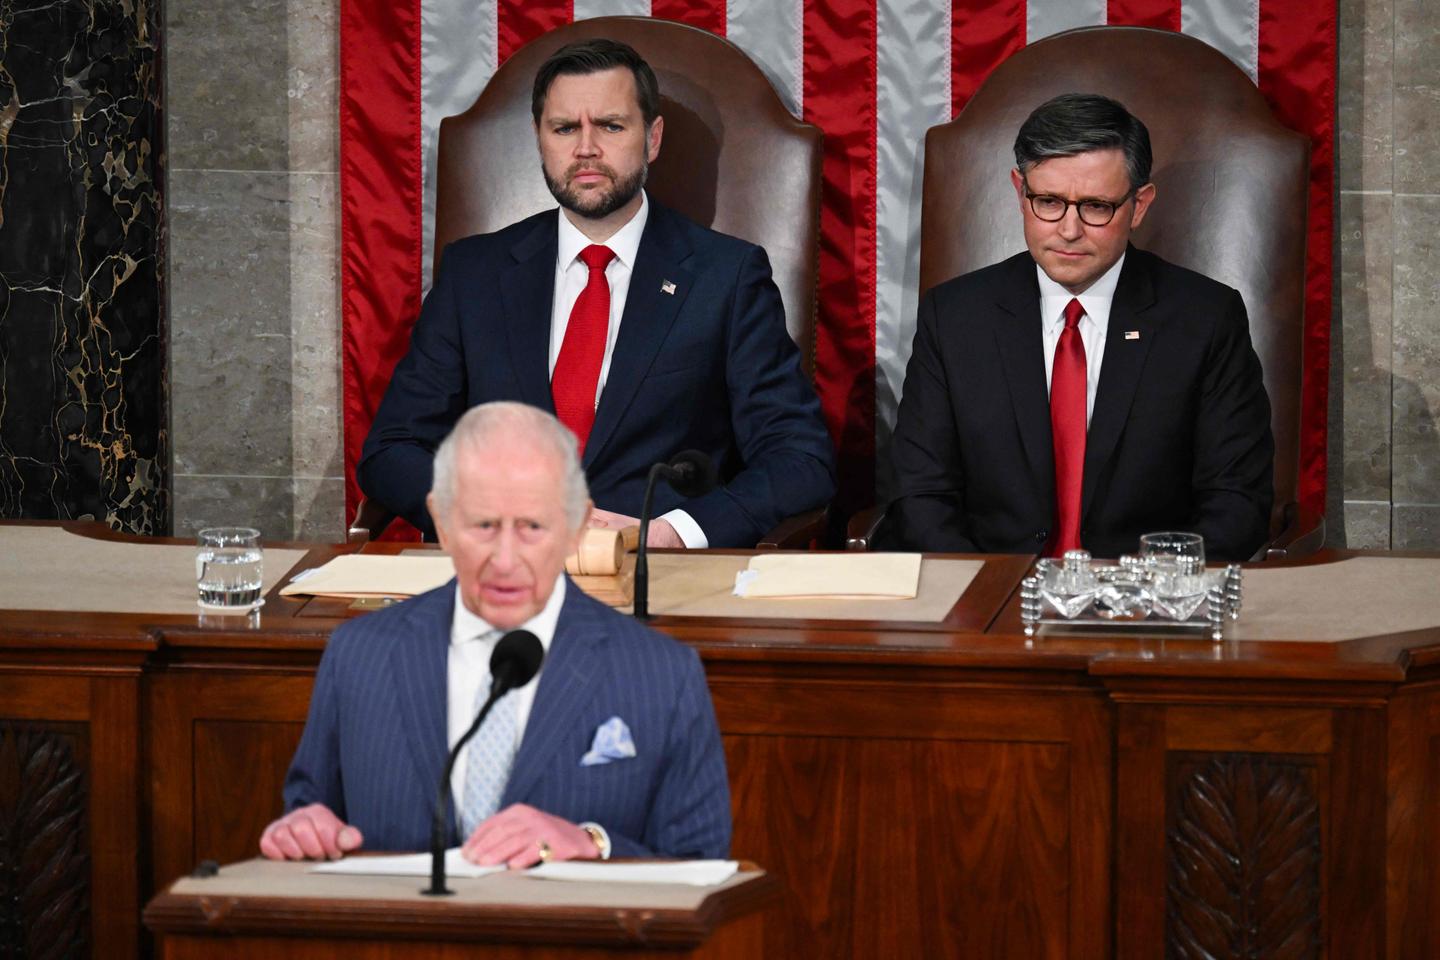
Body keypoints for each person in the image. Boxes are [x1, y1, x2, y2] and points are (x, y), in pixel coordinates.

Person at [358, 38, 834, 548]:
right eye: (565, 128)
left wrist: (671, 534)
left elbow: (799, 458)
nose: (585, 148)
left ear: (652, 138)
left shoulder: (727, 277)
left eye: (610, 126)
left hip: (656, 573)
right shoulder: (473, 274)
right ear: (540, 139)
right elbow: (393, 448)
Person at [261, 402, 731, 865]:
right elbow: (312, 815)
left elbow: (701, 864)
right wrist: (304, 833)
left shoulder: (662, 674)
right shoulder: (359, 656)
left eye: (532, 527)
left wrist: (594, 845)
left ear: (576, 527)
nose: (505, 560)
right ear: (442, 522)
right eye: (483, 525)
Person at [880, 93, 1273, 562]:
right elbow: (920, 494)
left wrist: (1143, 590)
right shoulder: (955, 316)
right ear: (1020, 193)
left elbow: (1236, 502)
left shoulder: (1205, 318)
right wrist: (987, 589)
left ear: (1139, 205)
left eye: (1096, 207)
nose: (1069, 230)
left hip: (1145, 596)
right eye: (1048, 201)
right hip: (989, 592)